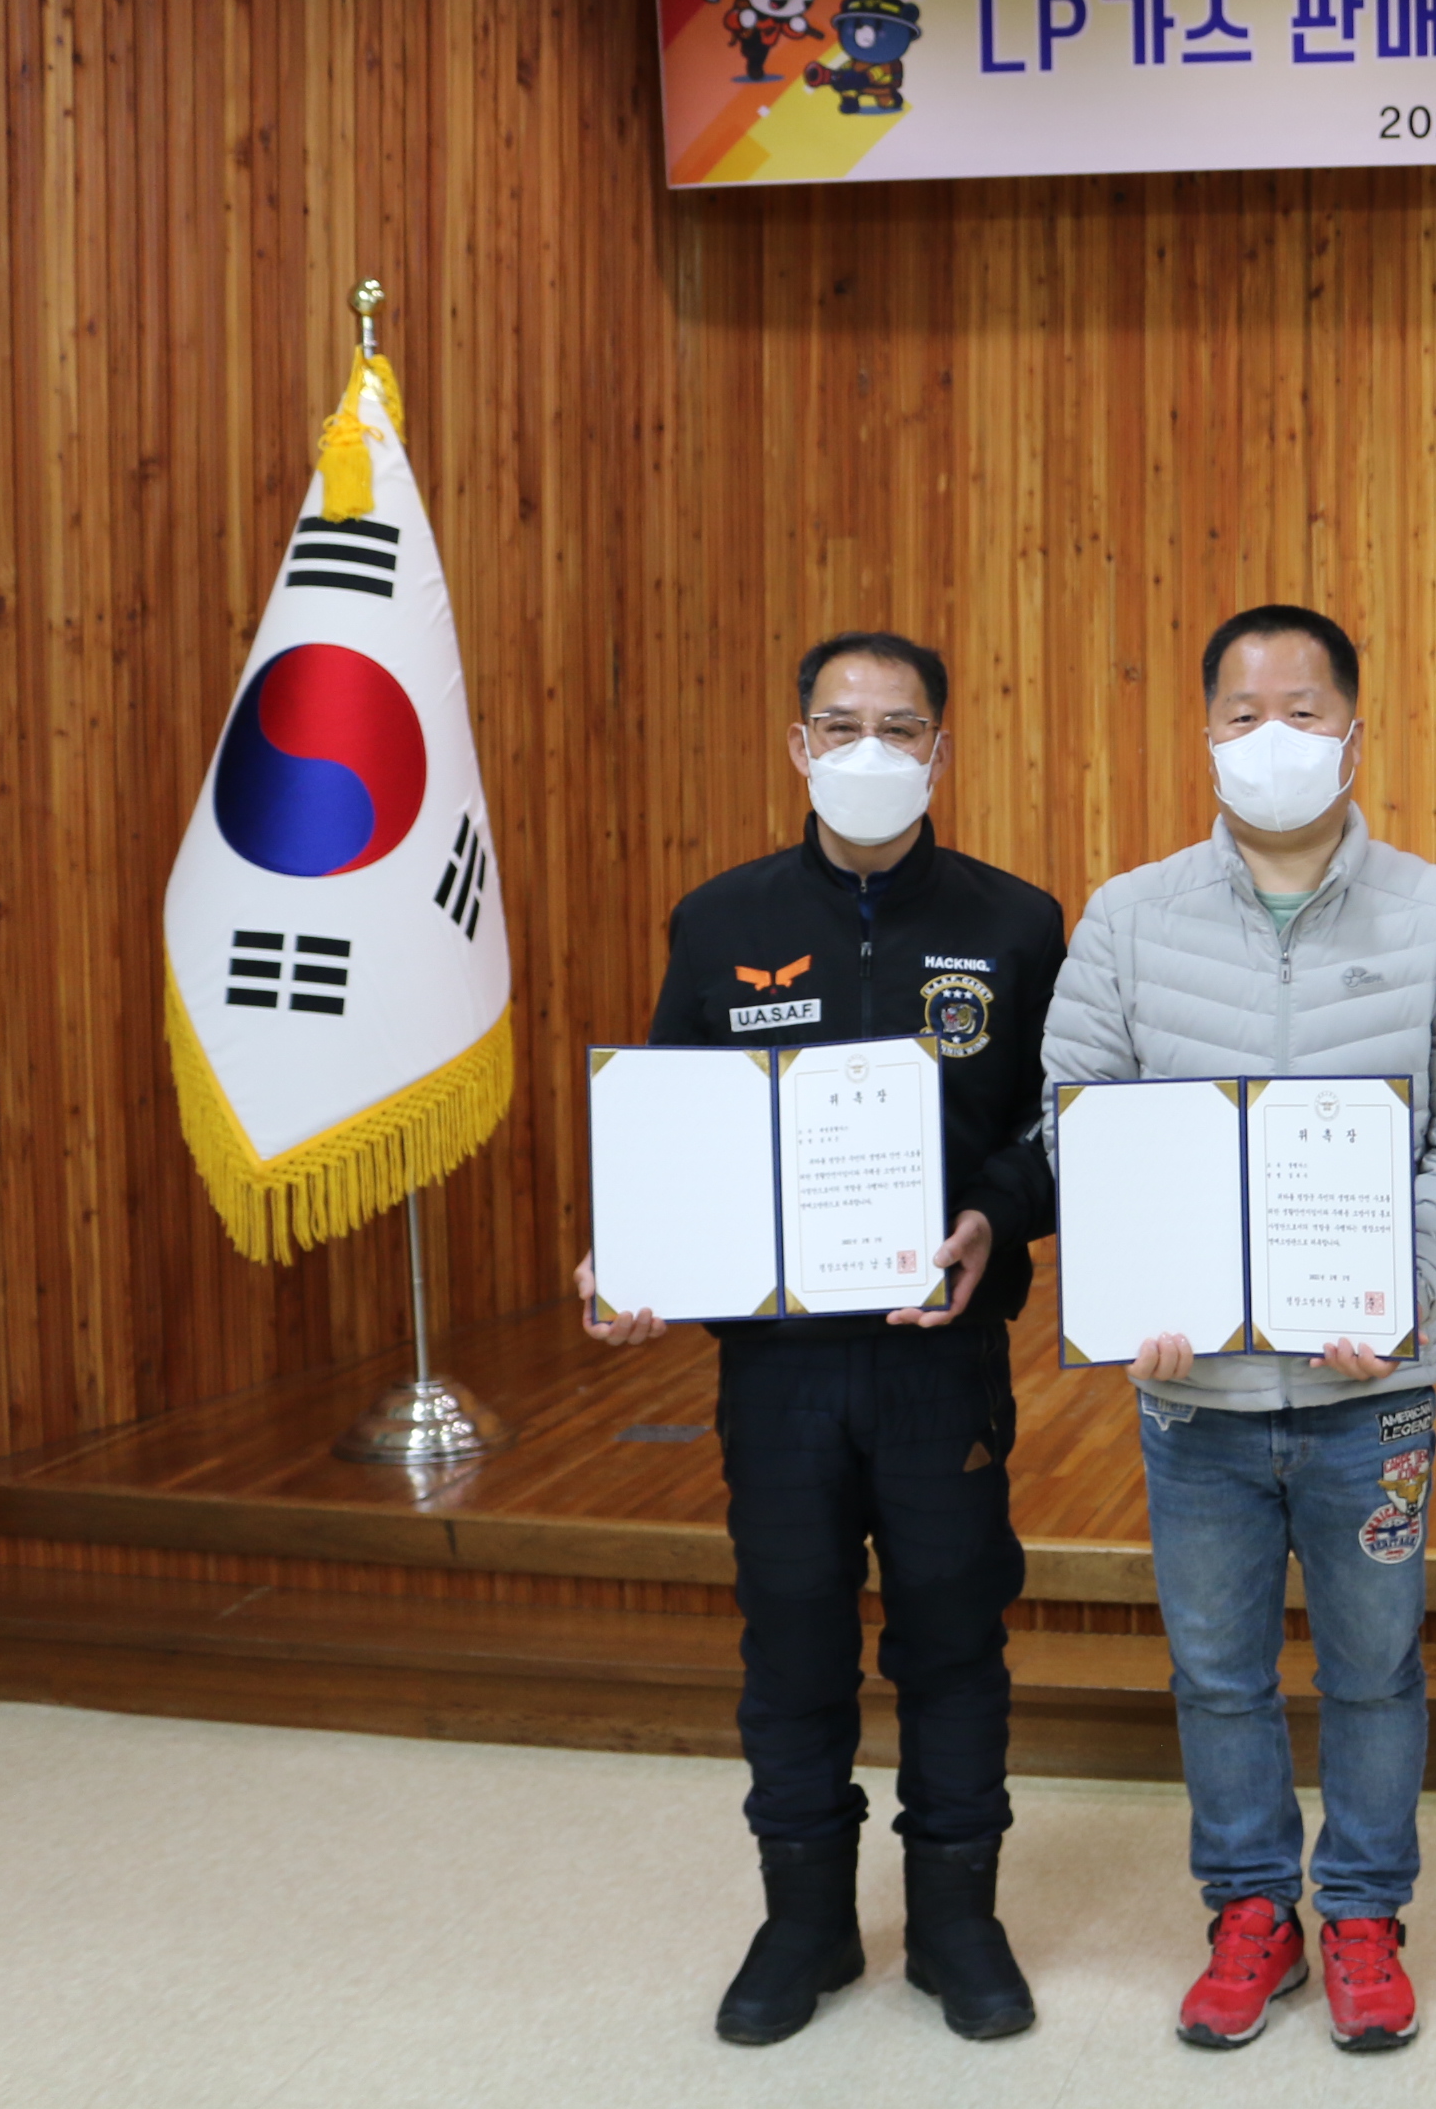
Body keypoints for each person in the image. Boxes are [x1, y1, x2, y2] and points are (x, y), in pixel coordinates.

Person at [1038, 604, 1436, 2054]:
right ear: (1205, 735)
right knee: (1217, 1672)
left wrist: (1407, 1287)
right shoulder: (1129, 917)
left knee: (1374, 1667)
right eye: (1245, 714)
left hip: (1375, 1392)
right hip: (1194, 1394)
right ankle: (1251, 1908)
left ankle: (1365, 1912)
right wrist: (1133, 1281)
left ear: (1353, 735)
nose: (1274, 739)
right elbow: (1072, 1110)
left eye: (1304, 713)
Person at [578, 631, 1065, 2047]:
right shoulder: (718, 919)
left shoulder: (1017, 923)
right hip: (777, 1370)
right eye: (841, 725)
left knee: (954, 1639)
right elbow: (667, 1122)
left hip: (938, 1358)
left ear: (940, 751)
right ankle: (804, 1921)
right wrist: (630, 1255)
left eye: (899, 728)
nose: (869, 751)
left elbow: (1054, 1132)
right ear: (797, 745)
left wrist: (990, 1220)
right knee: (792, 1641)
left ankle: (956, 1920)